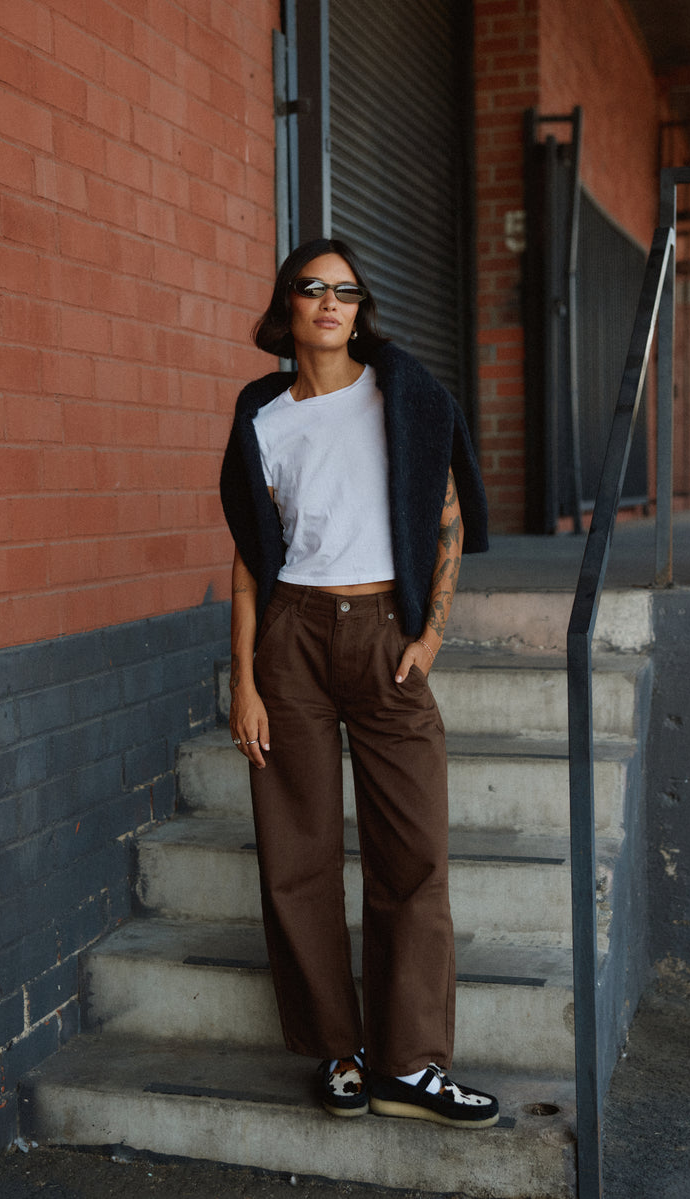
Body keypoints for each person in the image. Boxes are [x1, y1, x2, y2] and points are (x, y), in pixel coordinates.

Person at [220, 237, 498, 1128]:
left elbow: (447, 512)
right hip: (293, 639)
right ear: (289, 306)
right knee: (295, 855)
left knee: (412, 852)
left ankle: (408, 1064)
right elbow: (250, 559)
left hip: (384, 632)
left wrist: (432, 634)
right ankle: (339, 1050)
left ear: (359, 306)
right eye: (313, 288)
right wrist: (245, 679)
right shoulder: (263, 418)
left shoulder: (401, 394)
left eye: (345, 290)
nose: (331, 302)